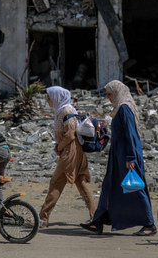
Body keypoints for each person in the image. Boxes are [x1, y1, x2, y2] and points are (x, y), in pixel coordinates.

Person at [80, 80, 156, 236]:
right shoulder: (119, 108)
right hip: (118, 157)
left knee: (135, 188)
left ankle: (149, 224)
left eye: (110, 94)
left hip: (127, 157)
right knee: (109, 186)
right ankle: (98, 221)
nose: (108, 97)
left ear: (117, 93)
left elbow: (131, 135)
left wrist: (131, 158)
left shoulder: (124, 109)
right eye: (107, 94)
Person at [39, 86, 96, 228]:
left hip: (71, 152)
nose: (48, 100)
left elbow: (70, 134)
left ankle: (42, 218)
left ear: (57, 97)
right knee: (81, 183)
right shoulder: (62, 110)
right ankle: (96, 217)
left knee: (56, 182)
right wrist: (58, 146)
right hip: (73, 150)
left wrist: (59, 147)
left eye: (49, 97)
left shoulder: (66, 110)